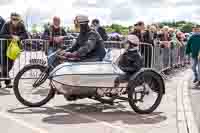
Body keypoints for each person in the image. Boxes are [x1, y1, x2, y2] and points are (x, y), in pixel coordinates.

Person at [0, 13, 28, 88]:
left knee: (10, 66)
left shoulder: (21, 25)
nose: (14, 21)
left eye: (16, 19)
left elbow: (26, 35)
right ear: (11, 19)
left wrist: (19, 37)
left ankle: (5, 81)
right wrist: (11, 36)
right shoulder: (6, 24)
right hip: (5, 47)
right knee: (5, 66)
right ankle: (7, 82)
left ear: (19, 19)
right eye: (13, 19)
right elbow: (1, 35)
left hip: (14, 49)